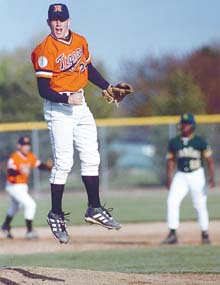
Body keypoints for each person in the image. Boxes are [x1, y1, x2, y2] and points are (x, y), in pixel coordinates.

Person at [31, 3, 130, 244]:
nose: (58, 23)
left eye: (62, 19)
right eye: (54, 20)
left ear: (69, 20)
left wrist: (107, 86)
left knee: (91, 156)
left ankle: (94, 208)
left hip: (80, 103)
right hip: (59, 107)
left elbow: (88, 69)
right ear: (48, 23)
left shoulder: (80, 41)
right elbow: (43, 90)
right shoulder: (43, 50)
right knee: (64, 161)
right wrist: (66, 97)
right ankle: (55, 214)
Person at [161, 113, 215, 245]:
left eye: (187, 123)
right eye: (183, 123)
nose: (184, 126)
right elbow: (171, 160)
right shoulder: (174, 142)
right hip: (181, 175)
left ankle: (205, 234)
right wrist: (169, 177)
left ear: (192, 125)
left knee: (199, 204)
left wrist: (212, 176)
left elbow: (209, 160)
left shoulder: (199, 141)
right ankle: (172, 234)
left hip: (197, 174)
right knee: (172, 201)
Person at [1, 136, 52, 239]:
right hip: (14, 186)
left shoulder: (30, 156)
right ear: (19, 146)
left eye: (28, 145)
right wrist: (20, 170)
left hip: (22, 186)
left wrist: (48, 167)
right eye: (24, 145)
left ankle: (5, 226)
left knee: (15, 207)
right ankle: (29, 232)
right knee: (30, 205)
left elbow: (39, 165)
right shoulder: (14, 157)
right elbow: (10, 171)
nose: (26, 147)